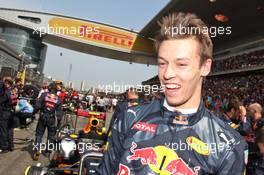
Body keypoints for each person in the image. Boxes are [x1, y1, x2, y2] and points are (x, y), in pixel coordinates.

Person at [97, 12, 248, 174]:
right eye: (162, 63)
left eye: (181, 64)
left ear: (205, 66)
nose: (167, 74)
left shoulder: (229, 145)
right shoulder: (129, 118)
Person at [32, 82, 62, 160]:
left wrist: (32, 113)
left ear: (49, 88)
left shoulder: (44, 95)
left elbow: (37, 106)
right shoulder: (58, 99)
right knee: (51, 136)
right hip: (51, 119)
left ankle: (37, 149)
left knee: (39, 135)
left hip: (42, 117)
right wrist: (58, 124)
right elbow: (59, 114)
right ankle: (48, 152)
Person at [0, 77, 18, 153]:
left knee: (3, 130)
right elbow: (16, 102)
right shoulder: (13, 91)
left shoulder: (6, 92)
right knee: (10, 130)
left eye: (4, 83)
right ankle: (11, 146)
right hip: (12, 113)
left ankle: (4, 147)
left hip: (5, 113)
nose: (3, 84)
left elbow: (1, 101)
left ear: (7, 83)